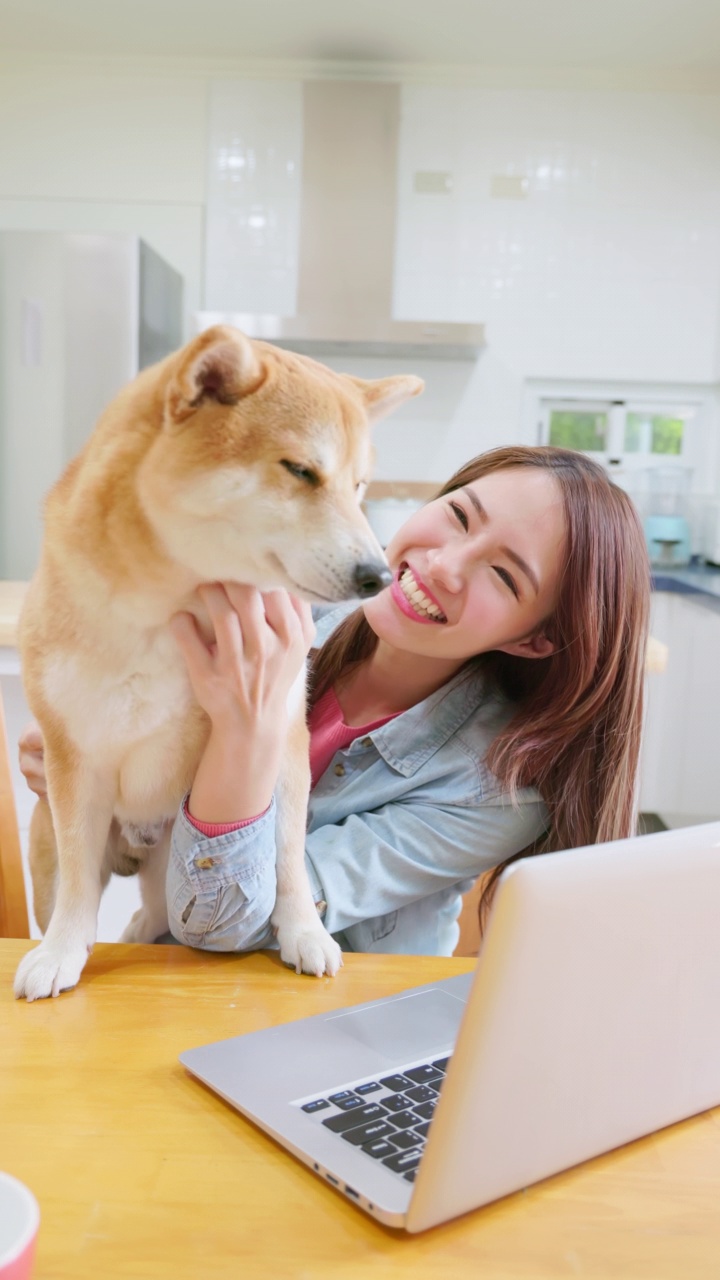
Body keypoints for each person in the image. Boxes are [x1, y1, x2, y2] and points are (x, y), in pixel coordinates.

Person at [19, 445, 651, 958]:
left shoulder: (498, 791)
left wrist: (248, 728)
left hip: (337, 1031)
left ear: (535, 639)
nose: (443, 566)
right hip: (172, 983)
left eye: (505, 576)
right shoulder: (288, 607)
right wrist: (91, 769)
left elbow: (226, 922)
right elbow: (138, 827)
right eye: (459, 516)